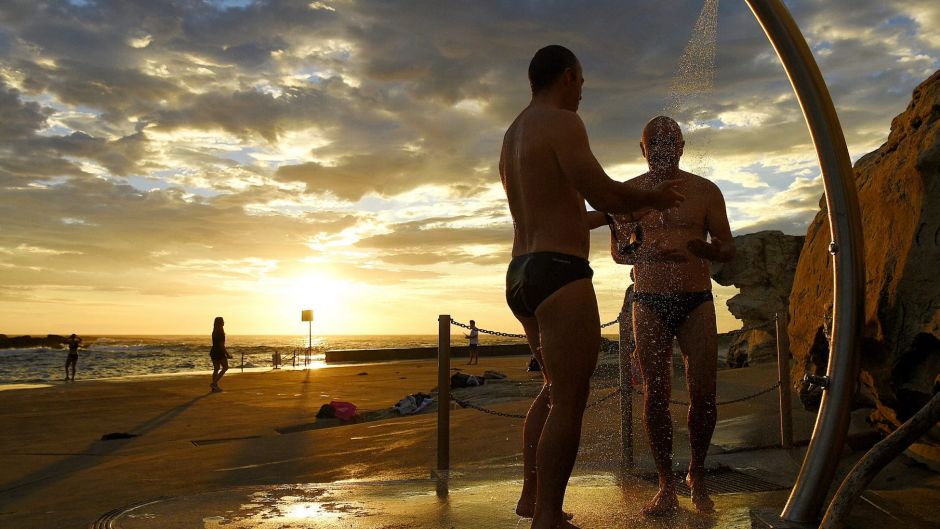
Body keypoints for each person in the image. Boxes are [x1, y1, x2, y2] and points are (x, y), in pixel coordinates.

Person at [500, 45, 684, 529]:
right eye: (581, 81)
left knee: (551, 388)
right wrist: (652, 196)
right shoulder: (563, 122)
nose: (583, 90)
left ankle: (530, 498)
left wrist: (619, 212)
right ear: (566, 76)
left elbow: (572, 210)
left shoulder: (514, 133)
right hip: (561, 273)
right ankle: (547, 517)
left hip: (522, 271)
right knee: (569, 399)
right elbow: (602, 189)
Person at [613, 116, 736, 515]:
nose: (664, 151)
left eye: (671, 143)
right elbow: (618, 253)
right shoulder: (629, 194)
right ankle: (665, 484)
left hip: (696, 298)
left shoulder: (704, 191)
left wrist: (711, 252)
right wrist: (648, 253)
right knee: (655, 395)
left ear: (682, 146)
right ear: (643, 149)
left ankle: (696, 474)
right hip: (649, 301)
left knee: (704, 394)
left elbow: (727, 244)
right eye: (655, 145)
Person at [209, 316, 232, 392]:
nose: (224, 322)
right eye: (222, 321)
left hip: (213, 351)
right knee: (225, 367)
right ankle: (214, 383)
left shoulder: (214, 331)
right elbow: (221, 345)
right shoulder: (221, 333)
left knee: (216, 369)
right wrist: (227, 354)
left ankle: (214, 387)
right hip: (219, 352)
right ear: (220, 323)